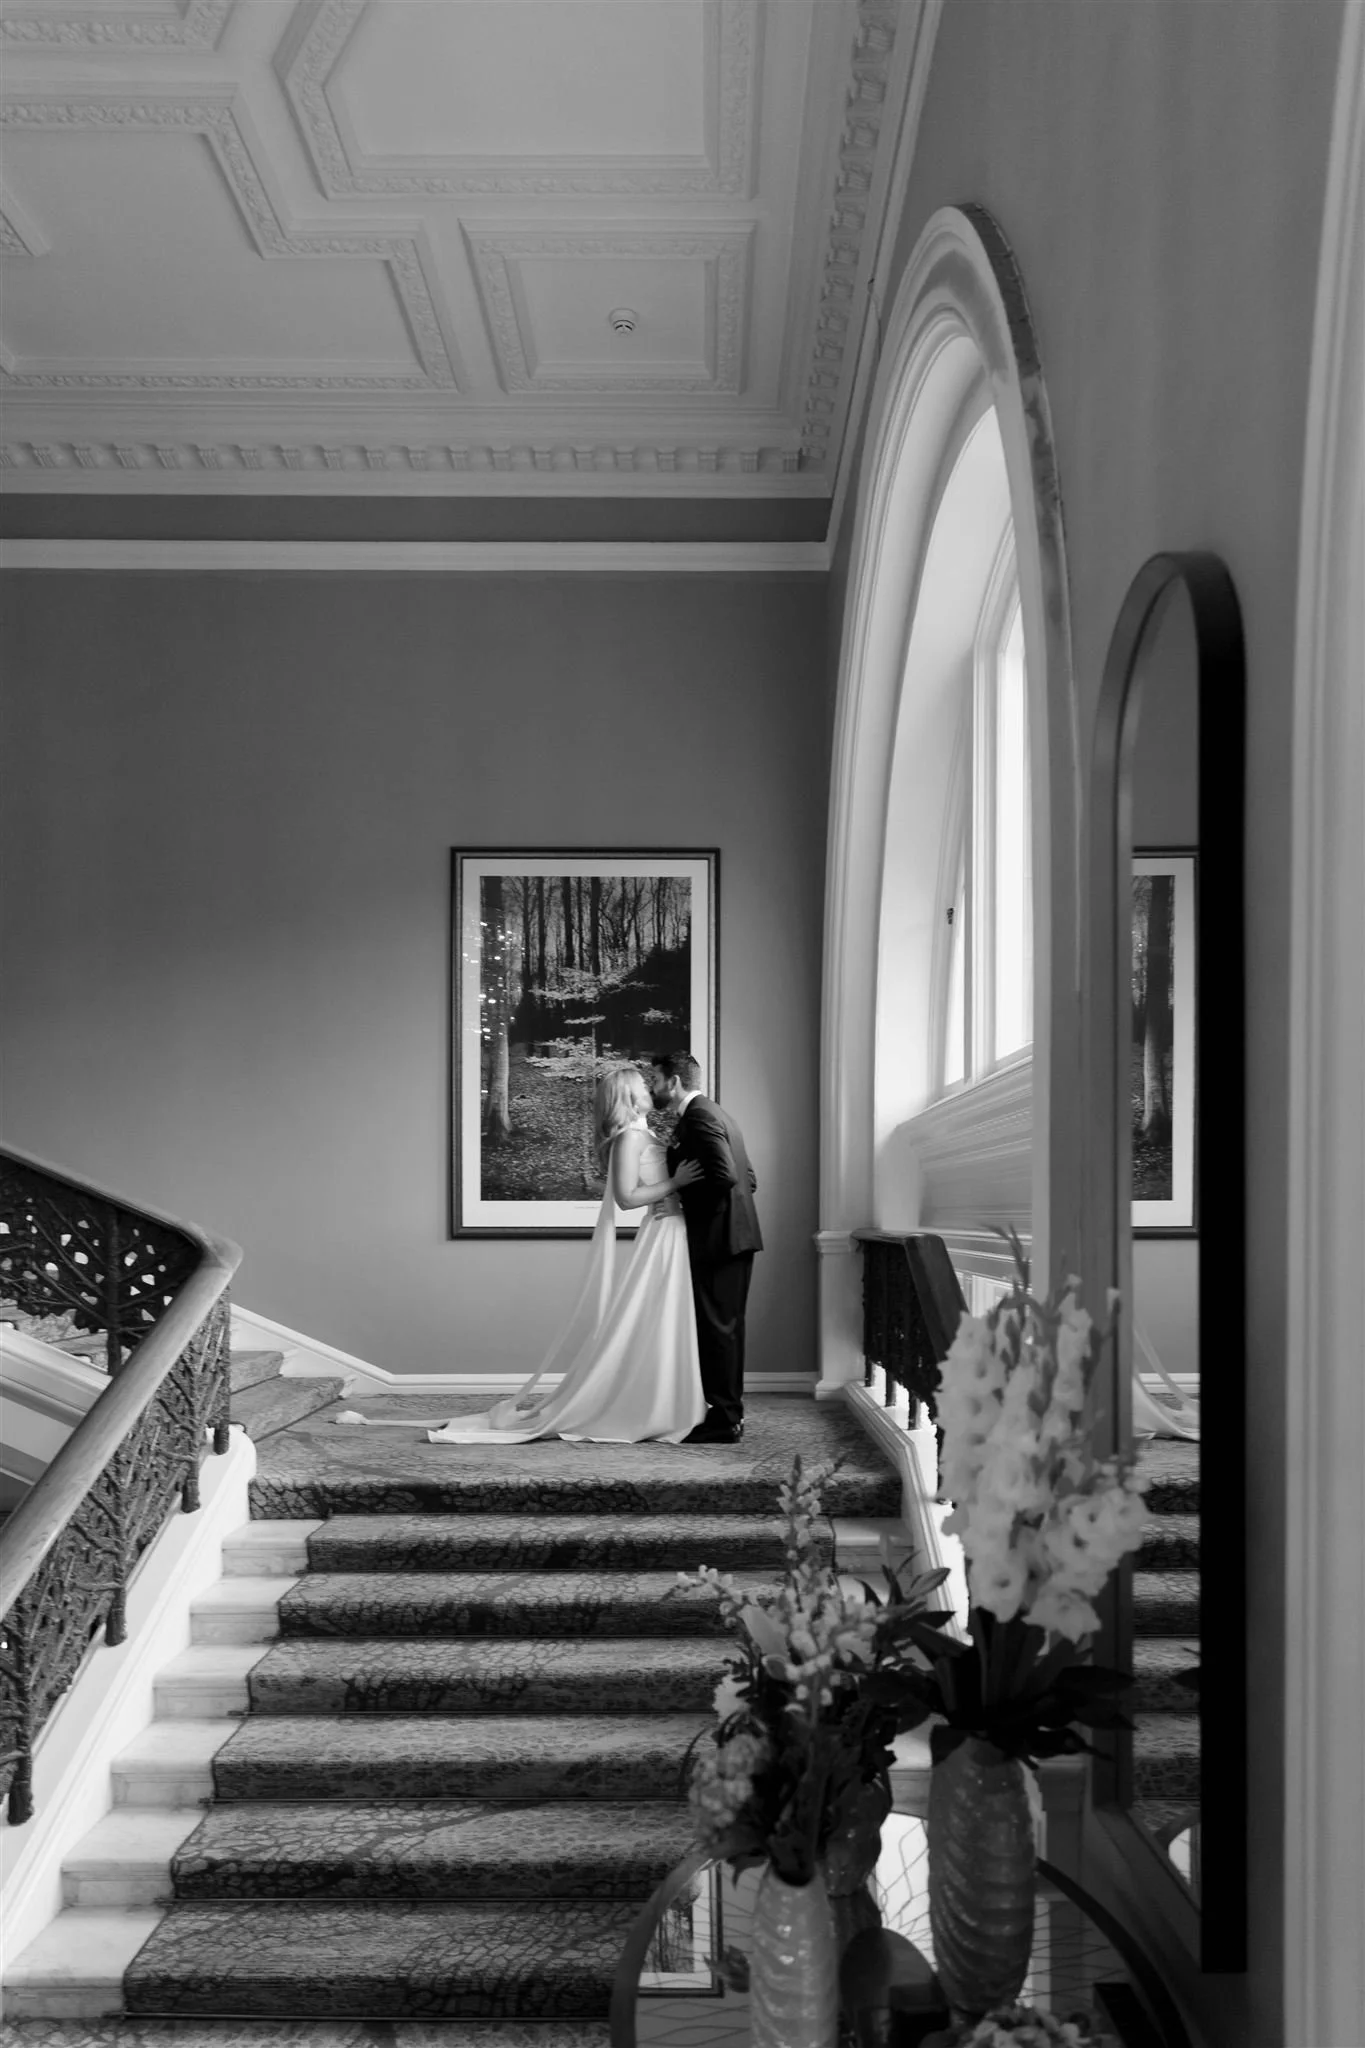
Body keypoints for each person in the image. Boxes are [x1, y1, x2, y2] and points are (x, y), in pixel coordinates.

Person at [336, 1065, 706, 1444]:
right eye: (643, 1085)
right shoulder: (629, 1139)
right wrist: (674, 1184)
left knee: (663, 1320)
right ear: (628, 1095)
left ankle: (665, 1399)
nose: (650, 1087)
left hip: (673, 1231)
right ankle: (649, 1406)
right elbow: (627, 1199)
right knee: (654, 1318)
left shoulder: (648, 1133)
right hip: (661, 1236)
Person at [649, 1052, 762, 1446]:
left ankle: (725, 1420)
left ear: (675, 1081)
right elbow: (748, 1176)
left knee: (719, 1331)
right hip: (733, 1236)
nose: (654, 1088)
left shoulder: (698, 1117)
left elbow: (727, 1175)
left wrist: (680, 1197)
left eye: (657, 1080)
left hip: (720, 1239)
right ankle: (728, 1415)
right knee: (724, 1329)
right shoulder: (716, 1113)